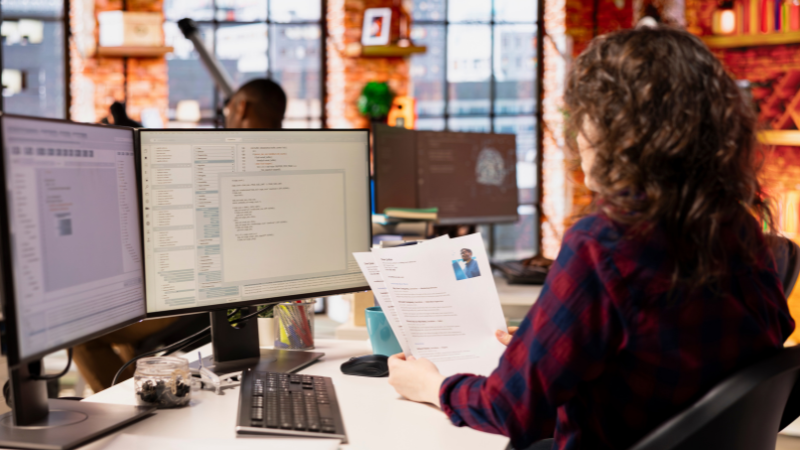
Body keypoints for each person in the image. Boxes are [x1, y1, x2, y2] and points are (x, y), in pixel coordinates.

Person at [385, 27, 794, 450]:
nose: (578, 137)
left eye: (584, 117)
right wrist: (551, 341)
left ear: (620, 131)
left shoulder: (603, 244)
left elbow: (509, 408)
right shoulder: (736, 226)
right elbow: (747, 339)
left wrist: (433, 385)